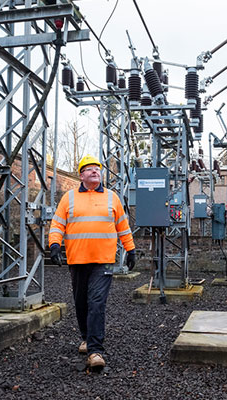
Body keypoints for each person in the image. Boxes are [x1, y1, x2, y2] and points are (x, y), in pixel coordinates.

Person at [49, 154, 136, 369]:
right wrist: (54, 245)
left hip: (103, 260)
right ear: (81, 175)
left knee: (96, 303)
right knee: (81, 303)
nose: (95, 171)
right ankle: (87, 338)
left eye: (97, 168)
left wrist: (131, 249)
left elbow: (123, 226)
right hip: (77, 260)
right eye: (89, 169)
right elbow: (58, 224)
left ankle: (96, 351)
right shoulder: (68, 198)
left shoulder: (111, 197)